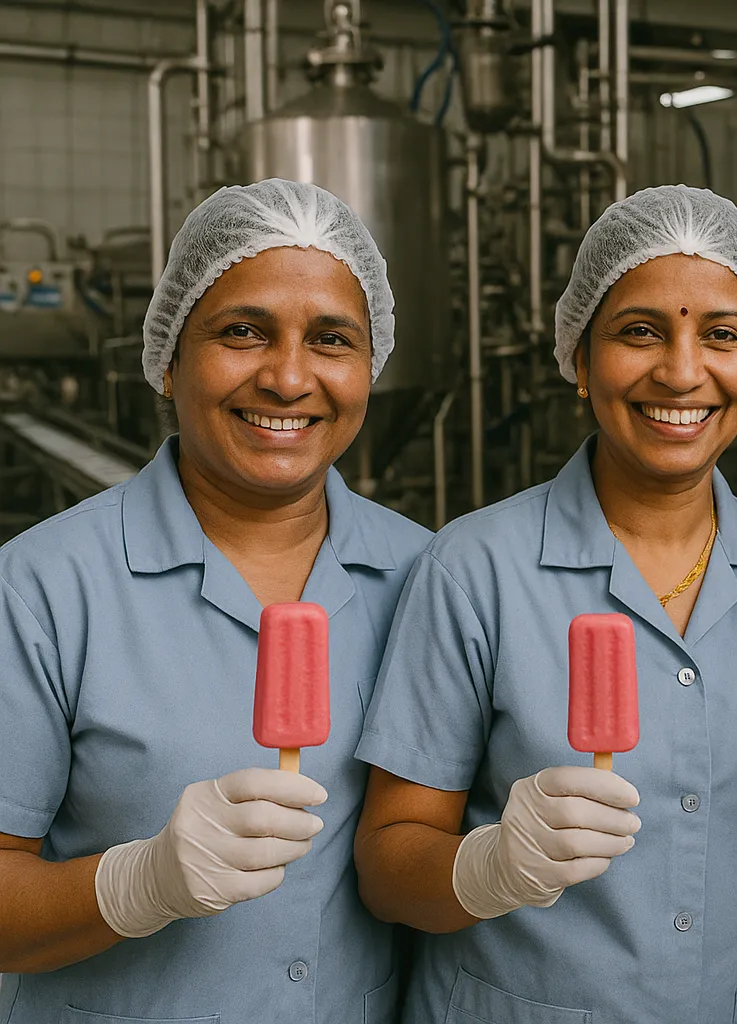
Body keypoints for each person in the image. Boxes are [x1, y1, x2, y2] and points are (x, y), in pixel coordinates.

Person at [353, 185, 737, 1024]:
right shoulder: (475, 568)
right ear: (579, 359)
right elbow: (387, 863)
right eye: (639, 331)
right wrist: (487, 866)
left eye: (722, 334)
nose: (682, 370)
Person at [0, 179, 430, 1021]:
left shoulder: (429, 577)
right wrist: (139, 881)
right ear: (167, 357)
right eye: (243, 331)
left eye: (332, 340)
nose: (289, 376)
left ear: (369, 368)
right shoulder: (43, 589)